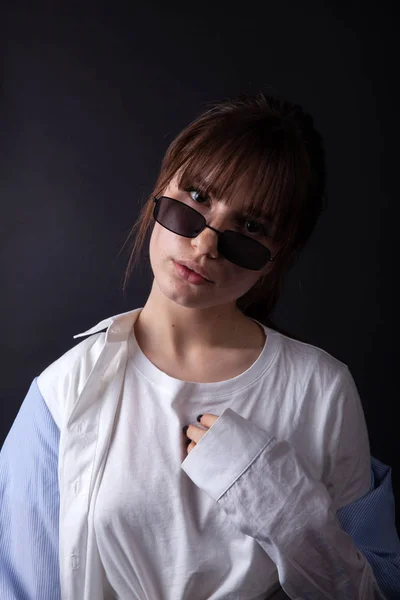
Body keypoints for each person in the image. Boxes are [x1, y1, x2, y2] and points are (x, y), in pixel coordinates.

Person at [1, 92, 399, 600]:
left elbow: (375, 592)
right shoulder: (63, 392)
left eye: (250, 227)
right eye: (196, 197)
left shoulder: (321, 390)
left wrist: (281, 507)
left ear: (277, 257)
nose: (206, 244)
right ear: (159, 192)